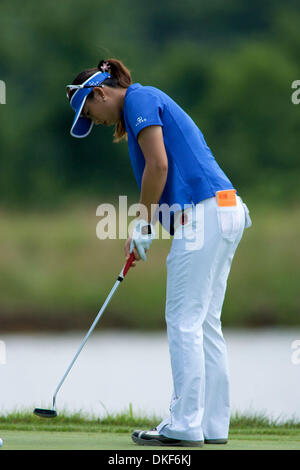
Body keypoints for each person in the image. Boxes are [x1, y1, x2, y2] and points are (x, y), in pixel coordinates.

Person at [67, 58, 252, 447]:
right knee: (204, 323)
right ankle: (211, 426)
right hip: (225, 210)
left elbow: (159, 164)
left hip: (206, 214)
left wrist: (143, 224)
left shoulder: (139, 98)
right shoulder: (140, 104)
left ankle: (185, 423)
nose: (95, 121)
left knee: (184, 320)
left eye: (90, 111)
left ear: (100, 92)